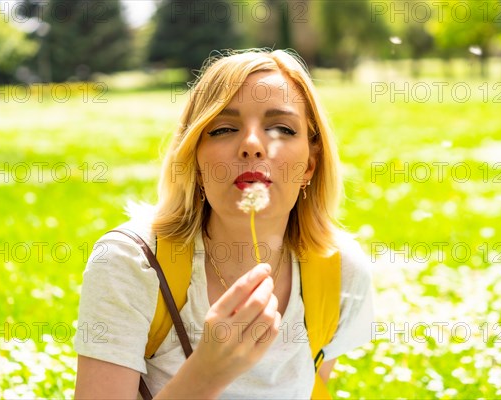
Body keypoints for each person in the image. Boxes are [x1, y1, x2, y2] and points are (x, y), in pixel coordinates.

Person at [74, 48, 374, 399]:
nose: (251, 145)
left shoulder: (339, 274)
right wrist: (206, 373)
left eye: (281, 128)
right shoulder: (133, 263)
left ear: (310, 164)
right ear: (195, 158)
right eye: (224, 129)